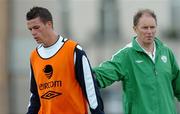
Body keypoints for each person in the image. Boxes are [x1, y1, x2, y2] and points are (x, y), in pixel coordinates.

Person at [93, 9, 180, 114]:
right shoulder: (126, 55)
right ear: (135, 29)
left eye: (152, 27)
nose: (149, 31)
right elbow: (102, 74)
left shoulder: (166, 52)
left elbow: (178, 85)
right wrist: (82, 73)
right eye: (144, 28)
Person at [26, 6, 105, 114]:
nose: (33, 33)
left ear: (49, 24)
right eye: (30, 29)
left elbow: (90, 89)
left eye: (36, 27)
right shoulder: (34, 56)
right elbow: (35, 96)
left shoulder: (73, 50)